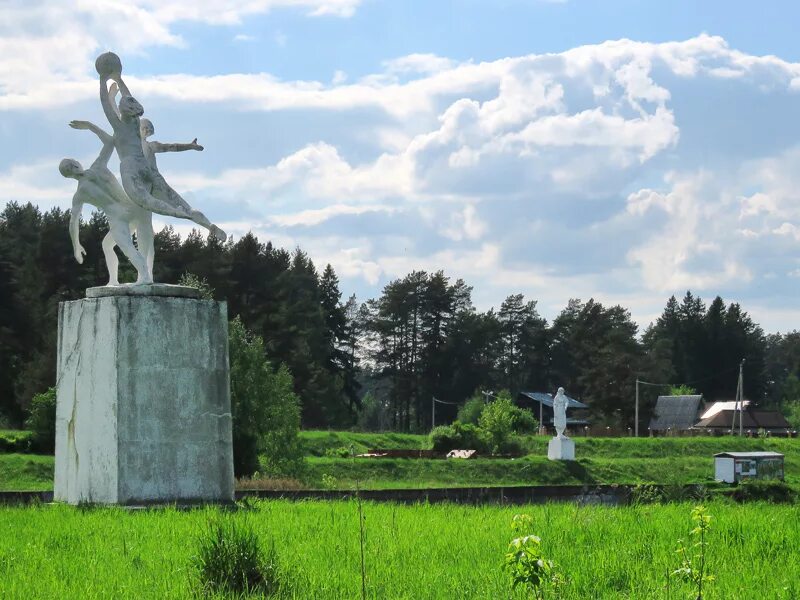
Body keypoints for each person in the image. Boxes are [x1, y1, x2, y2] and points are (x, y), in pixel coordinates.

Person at [95, 52, 226, 241]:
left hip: (131, 167)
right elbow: (127, 97)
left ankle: (185, 215)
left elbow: (106, 103)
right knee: (180, 202)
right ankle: (204, 223)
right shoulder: (134, 122)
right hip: (146, 168)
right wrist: (119, 80)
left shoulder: (120, 126)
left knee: (149, 202)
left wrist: (102, 79)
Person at [60, 121, 153, 285]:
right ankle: (117, 280)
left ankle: (142, 277)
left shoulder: (79, 194)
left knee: (126, 248)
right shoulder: (98, 167)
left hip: (117, 218)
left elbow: (73, 223)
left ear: (68, 176)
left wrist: (76, 245)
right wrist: (90, 126)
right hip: (131, 207)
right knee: (109, 244)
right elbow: (110, 141)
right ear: (76, 164)